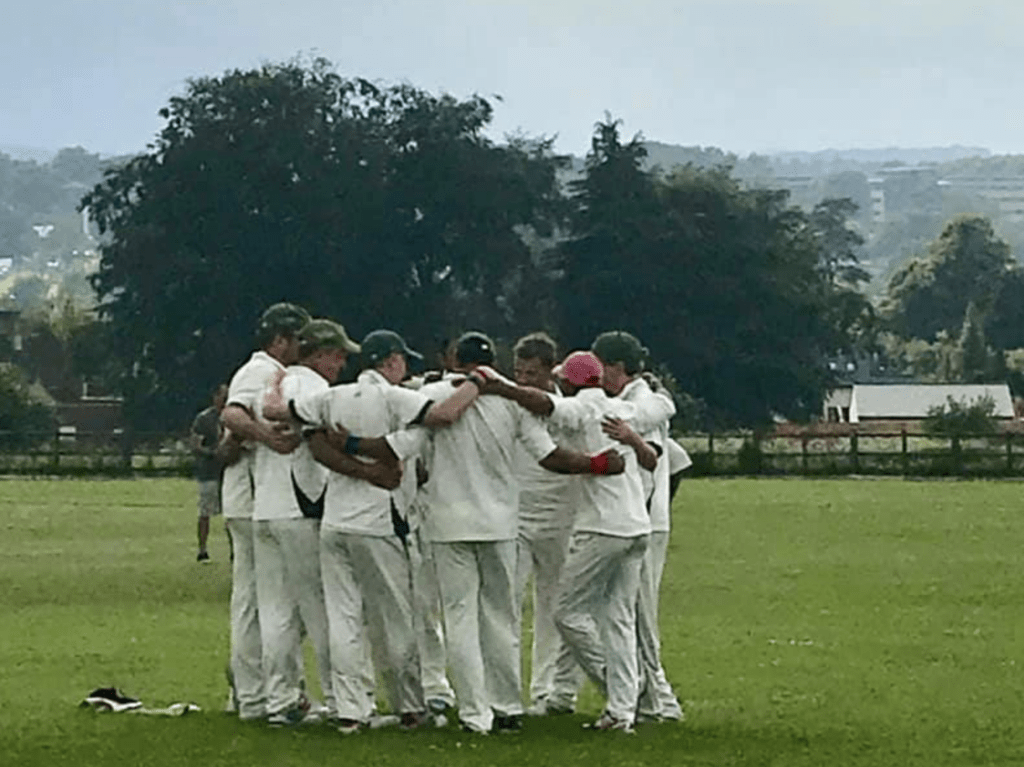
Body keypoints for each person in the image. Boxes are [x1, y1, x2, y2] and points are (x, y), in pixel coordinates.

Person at [266, 328, 485, 734]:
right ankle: (410, 707)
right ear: (390, 362)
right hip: (381, 524)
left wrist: (280, 386)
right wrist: (477, 381)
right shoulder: (393, 397)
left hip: (336, 522)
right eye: (401, 361)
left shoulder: (332, 396)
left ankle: (350, 711)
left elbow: (287, 421)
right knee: (396, 619)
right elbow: (444, 415)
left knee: (344, 619)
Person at [409, 332, 626, 734]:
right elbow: (550, 457)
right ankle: (507, 707)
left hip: (448, 522)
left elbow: (415, 458)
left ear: (456, 360)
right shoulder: (510, 402)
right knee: (501, 617)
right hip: (500, 522)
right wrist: (596, 464)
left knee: (460, 618)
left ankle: (475, 714)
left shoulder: (434, 394)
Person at [481, 350, 655, 733]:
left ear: (573, 381)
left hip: (602, 527)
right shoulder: (619, 409)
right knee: (619, 618)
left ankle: (617, 686)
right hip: (637, 525)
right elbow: (651, 453)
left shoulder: (582, 407)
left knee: (566, 613)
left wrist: (501, 389)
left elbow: (545, 404)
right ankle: (622, 710)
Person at [251, 319, 360, 726]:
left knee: (277, 611)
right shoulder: (315, 388)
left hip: (267, 506)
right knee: (322, 611)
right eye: (337, 355)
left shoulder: (277, 382)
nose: (343, 362)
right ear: (318, 354)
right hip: (302, 509)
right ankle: (338, 700)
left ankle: (279, 701)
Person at [219, 301, 310, 722]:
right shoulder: (260, 371)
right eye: (299, 340)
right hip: (253, 498)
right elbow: (231, 414)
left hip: (249, 500)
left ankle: (255, 695)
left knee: (256, 603)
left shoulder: (263, 371)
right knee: (264, 605)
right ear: (279, 340)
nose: (303, 349)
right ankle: (263, 695)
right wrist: (267, 438)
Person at [592, 331, 683, 723]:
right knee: (627, 610)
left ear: (615, 367)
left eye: (601, 369)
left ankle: (660, 699)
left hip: (644, 520)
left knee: (640, 613)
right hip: (642, 517)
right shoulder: (638, 400)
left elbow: (654, 459)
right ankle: (650, 697)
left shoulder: (644, 405)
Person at [510, 332, 581, 716]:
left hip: (562, 518)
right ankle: (505, 694)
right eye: (518, 372)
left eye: (531, 373)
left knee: (554, 607)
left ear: (550, 372)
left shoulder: (568, 408)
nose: (523, 380)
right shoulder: (510, 407)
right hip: (517, 518)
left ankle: (546, 691)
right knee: (507, 606)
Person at [190, 383, 228, 563]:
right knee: (205, 512)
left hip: (228, 473)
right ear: (215, 397)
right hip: (209, 473)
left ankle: (235, 550)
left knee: (231, 513)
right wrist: (212, 453)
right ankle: (202, 549)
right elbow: (195, 444)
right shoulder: (204, 418)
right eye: (223, 396)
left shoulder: (233, 417)